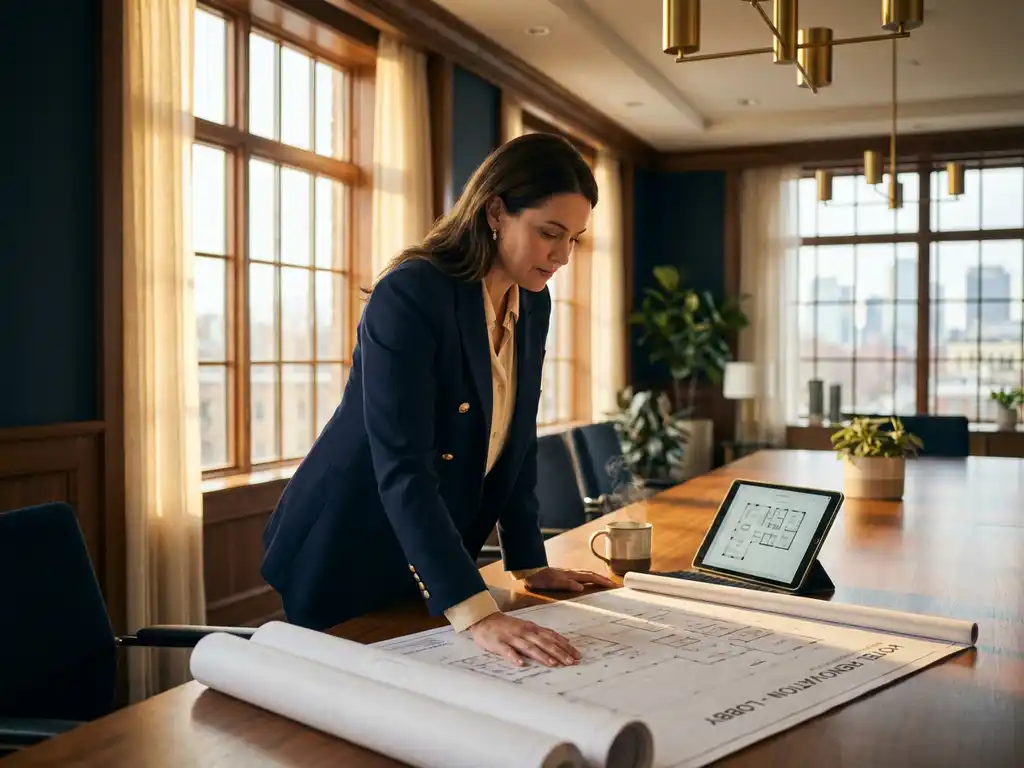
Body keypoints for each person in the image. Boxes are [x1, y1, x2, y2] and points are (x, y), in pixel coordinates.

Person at [261, 132, 616, 668]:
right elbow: (403, 464)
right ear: (495, 212)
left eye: (574, 239)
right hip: (346, 547)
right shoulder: (411, 293)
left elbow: (517, 435)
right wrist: (476, 611)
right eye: (549, 233)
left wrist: (529, 563)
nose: (562, 255)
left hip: (433, 557)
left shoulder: (533, 302)